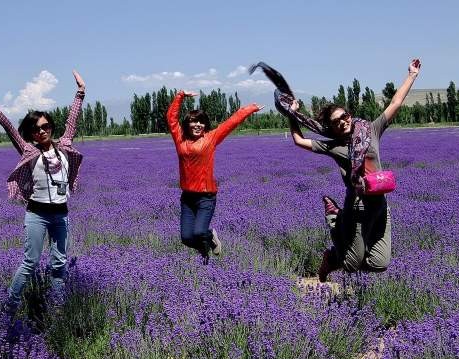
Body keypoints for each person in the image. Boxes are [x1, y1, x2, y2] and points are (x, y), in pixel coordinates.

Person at [250, 59, 421, 280]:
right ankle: (334, 235)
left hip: (380, 205)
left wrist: (411, 75)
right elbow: (299, 141)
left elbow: (395, 103)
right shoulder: (334, 146)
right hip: (356, 208)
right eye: (336, 122)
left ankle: (338, 233)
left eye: (344, 117)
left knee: (379, 264)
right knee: (351, 265)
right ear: (331, 127)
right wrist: (292, 116)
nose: (342, 122)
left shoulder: (371, 130)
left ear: (349, 116)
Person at [0, 70, 86, 314]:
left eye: (46, 126)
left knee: (59, 264)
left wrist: (80, 92)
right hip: (37, 214)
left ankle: (56, 310)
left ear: (51, 127)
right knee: (30, 262)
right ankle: (10, 307)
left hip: (61, 214)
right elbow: (9, 129)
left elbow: (72, 121)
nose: (42, 131)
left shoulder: (65, 147)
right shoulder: (29, 152)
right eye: (37, 129)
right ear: (31, 134)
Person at [166, 90, 263, 264]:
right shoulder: (180, 139)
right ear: (187, 124)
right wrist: (180, 96)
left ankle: (209, 238)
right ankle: (205, 253)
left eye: (201, 122)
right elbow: (171, 118)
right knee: (186, 238)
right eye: (193, 121)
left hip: (206, 197)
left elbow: (230, 123)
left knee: (199, 232)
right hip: (187, 198)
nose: (197, 125)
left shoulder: (211, 138)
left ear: (205, 125)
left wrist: (250, 109)